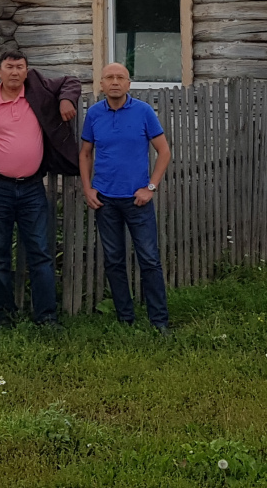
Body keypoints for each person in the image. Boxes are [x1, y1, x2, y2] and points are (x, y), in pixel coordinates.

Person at [0, 52, 80, 328]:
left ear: (26, 71)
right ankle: (4, 313)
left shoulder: (38, 92)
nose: (15, 72)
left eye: (20, 67)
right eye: (9, 67)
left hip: (32, 187)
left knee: (40, 252)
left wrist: (66, 100)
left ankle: (46, 316)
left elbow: (70, 81)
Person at [79, 62, 172, 333]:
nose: (115, 82)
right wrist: (88, 189)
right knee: (114, 260)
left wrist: (150, 187)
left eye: (120, 77)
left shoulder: (143, 112)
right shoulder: (94, 114)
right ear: (101, 84)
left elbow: (164, 151)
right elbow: (85, 153)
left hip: (137, 200)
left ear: (129, 84)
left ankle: (159, 321)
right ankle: (125, 319)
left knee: (149, 259)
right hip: (105, 200)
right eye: (109, 77)